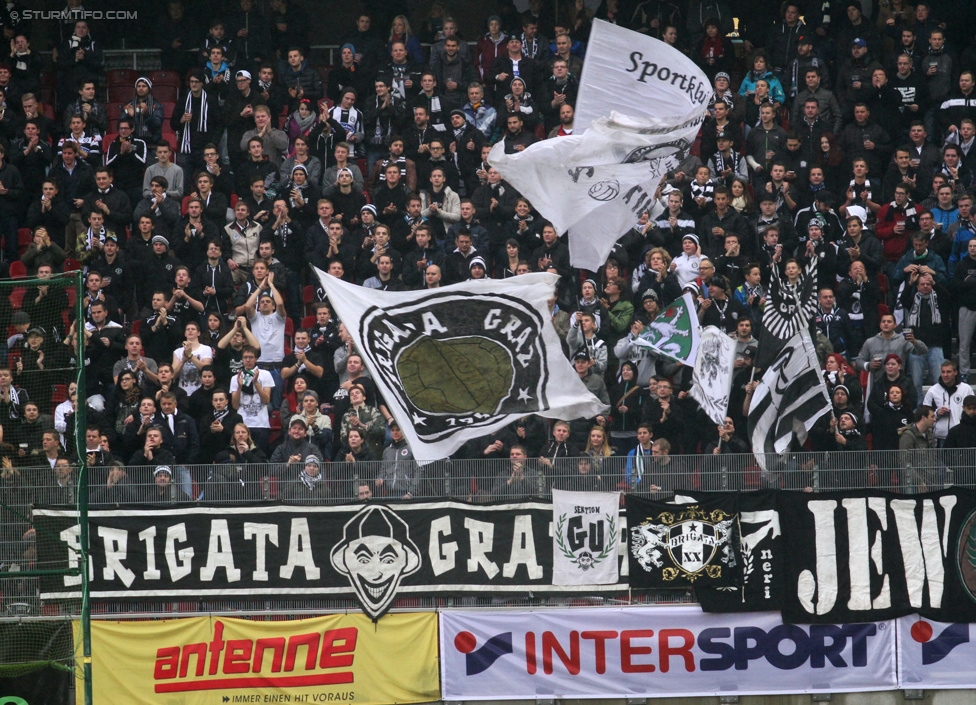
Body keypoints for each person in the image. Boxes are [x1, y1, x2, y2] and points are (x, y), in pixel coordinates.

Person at [229, 346, 274, 454]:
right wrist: (239, 387)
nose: (248, 360)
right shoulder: (235, 378)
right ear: (242, 359)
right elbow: (235, 406)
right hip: (243, 425)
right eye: (245, 357)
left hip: (260, 424)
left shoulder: (265, 374)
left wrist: (256, 383)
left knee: (260, 456)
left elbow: (266, 400)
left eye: (251, 357)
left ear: (256, 359)